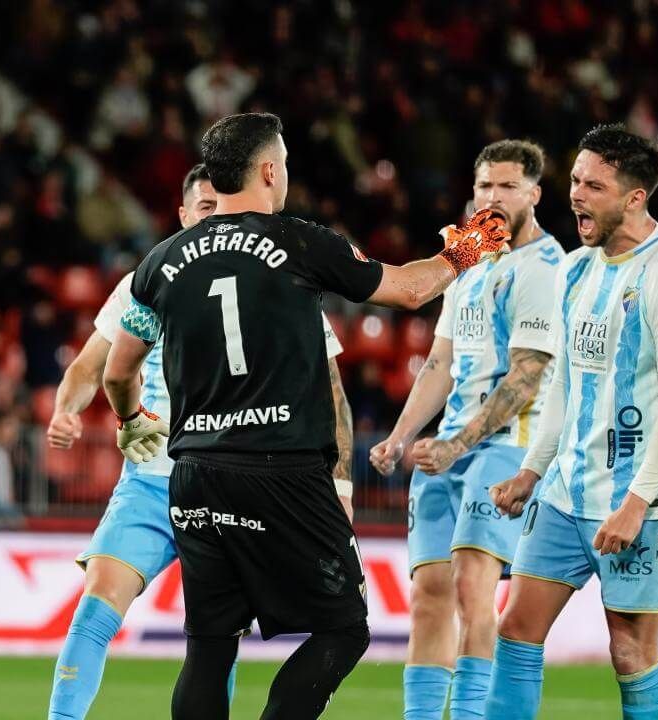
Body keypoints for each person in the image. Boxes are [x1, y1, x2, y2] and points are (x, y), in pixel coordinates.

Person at [101, 112, 510, 720]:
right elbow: (410, 290)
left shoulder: (160, 261)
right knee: (344, 629)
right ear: (269, 170)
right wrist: (465, 251)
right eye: (285, 163)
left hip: (195, 473)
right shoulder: (300, 241)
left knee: (209, 647)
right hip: (284, 473)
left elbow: (117, 370)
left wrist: (132, 417)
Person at [45, 163, 356, 720]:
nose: (216, 218)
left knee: (217, 634)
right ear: (184, 215)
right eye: (204, 208)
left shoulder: (276, 278)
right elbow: (91, 366)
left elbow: (330, 387)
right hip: (149, 481)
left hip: (229, 481)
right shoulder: (150, 276)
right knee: (97, 604)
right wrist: (66, 411)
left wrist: (342, 479)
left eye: (223, 205)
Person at [484, 124, 658, 720]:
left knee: (630, 651)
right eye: (575, 181)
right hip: (565, 493)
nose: (576, 195)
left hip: (641, 502)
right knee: (514, 627)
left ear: (635, 198)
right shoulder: (577, 268)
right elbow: (564, 383)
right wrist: (533, 471)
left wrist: (636, 503)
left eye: (595, 186)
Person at [370, 139, 565, 720]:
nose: (494, 197)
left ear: (533, 194)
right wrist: (401, 435)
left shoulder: (546, 267)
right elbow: (440, 363)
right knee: (429, 595)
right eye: (485, 186)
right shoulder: (468, 261)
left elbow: (526, 378)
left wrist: (456, 445)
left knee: (472, 587)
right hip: (443, 451)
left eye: (508, 186)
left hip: (504, 446)